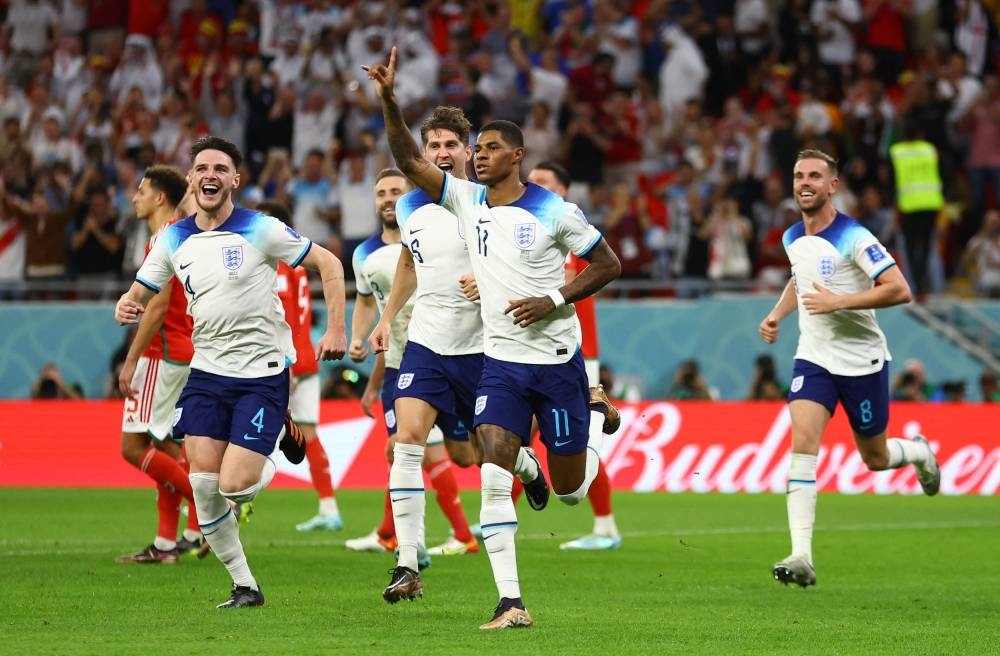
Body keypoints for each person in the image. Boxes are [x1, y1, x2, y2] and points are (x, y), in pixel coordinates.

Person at [366, 49, 622, 629]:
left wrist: (553, 299)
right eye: (475, 149)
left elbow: (608, 263)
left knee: (570, 489)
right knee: (490, 470)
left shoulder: (554, 210)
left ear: (517, 155)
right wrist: (387, 98)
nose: (479, 157)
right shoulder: (465, 201)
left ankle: (592, 426)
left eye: (488, 149)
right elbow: (407, 157)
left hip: (554, 360)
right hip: (500, 362)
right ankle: (511, 602)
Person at [114, 136, 348, 609]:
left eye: (221, 169)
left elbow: (329, 262)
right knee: (202, 485)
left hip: (261, 373)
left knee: (233, 486)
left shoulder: (260, 229)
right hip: (206, 373)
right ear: (193, 179)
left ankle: (281, 444)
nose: (210, 175)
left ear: (235, 180)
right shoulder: (173, 238)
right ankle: (245, 586)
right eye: (202, 168)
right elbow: (145, 287)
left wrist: (337, 328)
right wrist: (129, 301)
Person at [758, 149, 940, 589]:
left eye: (815, 176)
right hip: (814, 356)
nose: (805, 182)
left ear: (832, 185)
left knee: (874, 457)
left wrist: (839, 301)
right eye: (800, 175)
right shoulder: (790, 237)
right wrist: (777, 315)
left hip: (862, 360)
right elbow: (799, 280)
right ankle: (801, 554)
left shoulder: (855, 237)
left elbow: (899, 289)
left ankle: (917, 451)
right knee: (802, 443)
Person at [344, 167, 477, 562]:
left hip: (448, 355)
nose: (387, 199)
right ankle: (409, 544)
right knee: (402, 446)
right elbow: (368, 301)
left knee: (462, 455)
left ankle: (407, 534)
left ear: (409, 197)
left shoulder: (434, 240)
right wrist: (358, 338)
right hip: (403, 365)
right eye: (381, 192)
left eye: (395, 191)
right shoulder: (363, 254)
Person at [527, 160, 622, 551]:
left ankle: (605, 526)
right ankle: (499, 514)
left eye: (544, 183)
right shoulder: (530, 229)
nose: (534, 188)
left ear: (563, 191)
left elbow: (567, 281)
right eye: (531, 182)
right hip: (538, 347)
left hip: (575, 350)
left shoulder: (569, 229)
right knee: (522, 435)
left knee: (537, 437)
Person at [114, 165, 205, 564]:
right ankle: (166, 544)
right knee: (166, 447)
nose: (135, 198)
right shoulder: (181, 231)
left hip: (161, 354)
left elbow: (158, 307)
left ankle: (210, 514)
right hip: (182, 349)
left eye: (142, 190)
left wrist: (130, 360)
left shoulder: (165, 240)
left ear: (159, 198)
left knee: (133, 447)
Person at [257, 200, 342, 533]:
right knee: (307, 435)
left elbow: (286, 317)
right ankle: (329, 507)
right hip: (306, 359)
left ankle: (235, 504)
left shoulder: (276, 267)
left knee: (259, 432)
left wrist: (286, 364)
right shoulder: (297, 265)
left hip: (286, 361)